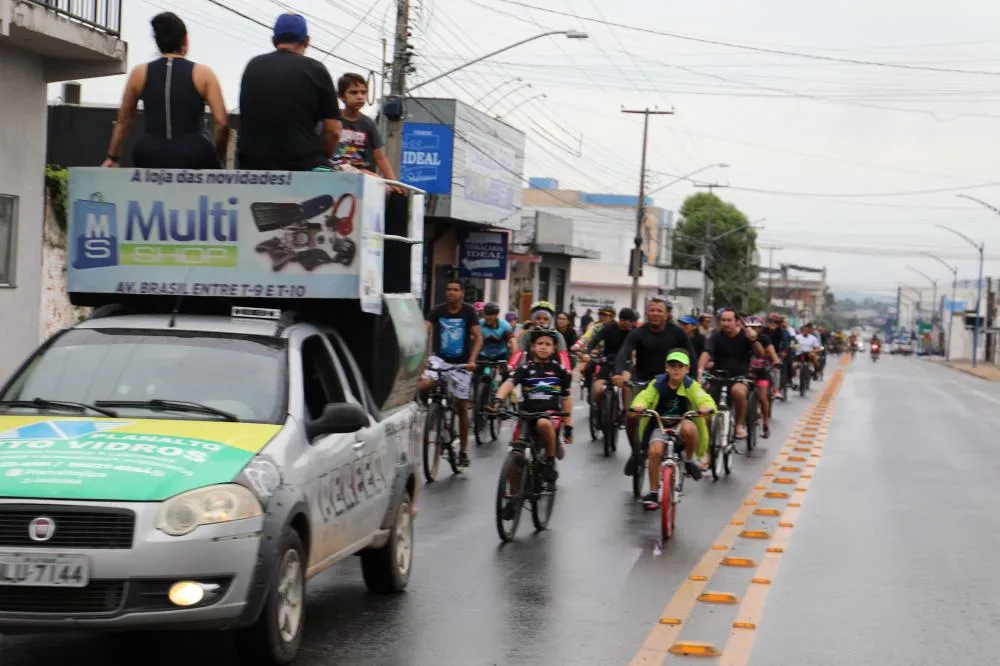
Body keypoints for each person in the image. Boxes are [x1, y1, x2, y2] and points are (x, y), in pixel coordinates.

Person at [103, 13, 228, 169]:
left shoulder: (139, 73)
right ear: (186, 40)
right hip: (194, 154)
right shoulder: (203, 74)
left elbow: (124, 120)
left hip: (150, 153)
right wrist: (218, 156)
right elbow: (222, 122)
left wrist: (112, 157)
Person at [237, 12, 342, 171]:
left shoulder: (253, 66)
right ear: (307, 41)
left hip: (252, 164)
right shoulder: (316, 69)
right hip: (301, 165)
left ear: (274, 41)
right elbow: (334, 131)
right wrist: (324, 157)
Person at [614, 298, 696, 476]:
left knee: (686, 417)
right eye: (652, 310)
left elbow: (692, 357)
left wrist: (694, 381)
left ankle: (684, 453)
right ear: (646, 312)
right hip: (643, 380)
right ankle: (636, 452)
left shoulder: (677, 332)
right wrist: (619, 372)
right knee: (631, 415)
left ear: (667, 314)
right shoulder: (638, 332)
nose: (656, 314)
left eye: (660, 310)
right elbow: (624, 351)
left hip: (671, 381)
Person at [630, 349, 715, 508]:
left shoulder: (691, 385)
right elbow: (644, 397)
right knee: (654, 452)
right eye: (672, 365)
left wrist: (705, 407)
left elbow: (703, 397)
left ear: (687, 369)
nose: (676, 369)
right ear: (666, 368)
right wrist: (639, 406)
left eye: (680, 366)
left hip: (683, 424)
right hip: (660, 425)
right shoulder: (657, 384)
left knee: (690, 429)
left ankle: (689, 461)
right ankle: (654, 492)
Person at [493, 329, 573, 484]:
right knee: (514, 453)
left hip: (551, 415)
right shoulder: (525, 368)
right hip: (526, 414)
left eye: (548, 344)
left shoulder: (560, 370)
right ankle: (512, 499)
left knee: (543, 423)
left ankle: (549, 462)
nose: (543, 347)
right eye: (540, 343)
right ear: (533, 347)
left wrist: (569, 427)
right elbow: (509, 383)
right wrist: (498, 399)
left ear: (554, 348)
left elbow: (566, 398)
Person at [421, 280, 483, 468]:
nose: (451, 293)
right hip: (439, 360)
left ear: (462, 293)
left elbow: (478, 338)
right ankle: (432, 414)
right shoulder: (437, 311)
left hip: (462, 364)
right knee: (422, 386)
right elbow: (424, 332)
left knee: (462, 407)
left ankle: (463, 450)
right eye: (448, 289)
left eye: (455, 290)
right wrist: (423, 357)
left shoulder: (469, 312)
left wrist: (472, 360)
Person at [697, 308, 764, 440]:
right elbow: (707, 352)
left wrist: (754, 340)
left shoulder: (746, 335)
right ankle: (708, 445)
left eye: (729, 320)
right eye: (723, 320)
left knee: (738, 392)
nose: (725, 323)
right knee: (705, 403)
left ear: (737, 322)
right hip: (718, 377)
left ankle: (739, 426)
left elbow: (760, 354)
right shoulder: (715, 336)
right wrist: (700, 370)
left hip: (740, 377)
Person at [333, 72, 398, 179]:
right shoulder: (332, 120)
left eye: (363, 92)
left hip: (363, 178)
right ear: (342, 96)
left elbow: (380, 157)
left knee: (397, 193)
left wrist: (394, 182)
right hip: (334, 173)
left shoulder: (368, 124)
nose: (360, 97)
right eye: (354, 93)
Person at [582, 307, 638, 413]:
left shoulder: (633, 331)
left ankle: (625, 412)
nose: (632, 324)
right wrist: (587, 353)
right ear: (622, 320)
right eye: (630, 321)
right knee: (598, 389)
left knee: (626, 385)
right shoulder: (609, 329)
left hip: (626, 364)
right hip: (608, 362)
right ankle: (598, 410)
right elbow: (594, 341)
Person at [509, 301, 572, 373]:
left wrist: (567, 370)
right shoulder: (528, 334)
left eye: (546, 319)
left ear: (550, 321)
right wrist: (511, 365)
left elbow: (563, 354)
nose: (542, 321)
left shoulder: (557, 335)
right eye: (538, 318)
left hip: (553, 370)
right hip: (531, 369)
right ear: (533, 319)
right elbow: (519, 352)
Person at [746, 316, 780, 438]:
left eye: (756, 327)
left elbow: (772, 351)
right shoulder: (742, 338)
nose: (753, 330)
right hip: (746, 373)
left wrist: (776, 360)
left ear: (760, 328)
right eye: (750, 327)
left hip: (761, 372)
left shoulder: (764, 339)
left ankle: (765, 423)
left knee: (762, 397)